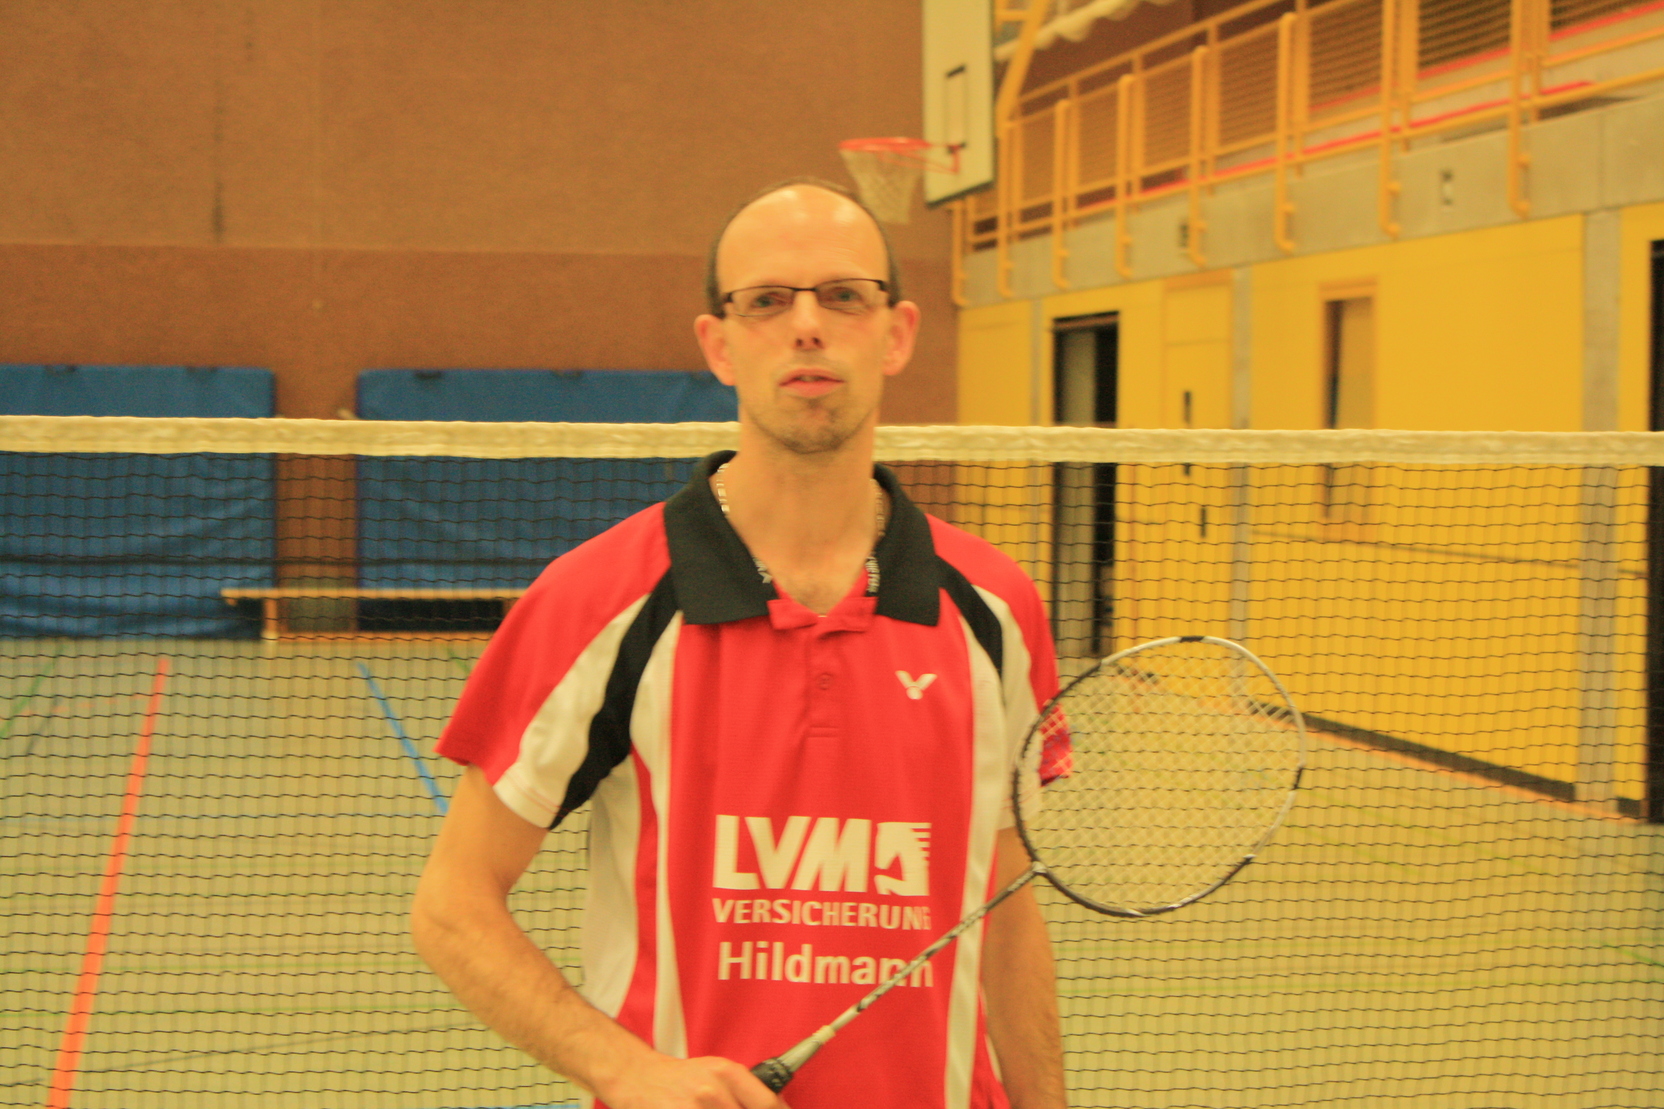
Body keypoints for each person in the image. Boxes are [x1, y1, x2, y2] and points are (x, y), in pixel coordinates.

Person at [412, 179, 1068, 1109]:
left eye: (844, 295)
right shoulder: (599, 599)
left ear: (898, 332)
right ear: (718, 345)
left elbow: (1006, 916)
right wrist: (624, 1068)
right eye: (767, 301)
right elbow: (452, 903)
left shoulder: (995, 608)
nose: (807, 326)